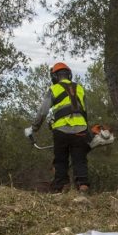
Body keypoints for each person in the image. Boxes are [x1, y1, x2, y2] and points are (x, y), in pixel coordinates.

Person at [29, 62, 92, 192]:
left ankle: (61, 186)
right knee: (79, 159)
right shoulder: (80, 88)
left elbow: (42, 112)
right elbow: (85, 111)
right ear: (69, 75)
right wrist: (87, 131)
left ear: (55, 77)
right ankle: (83, 185)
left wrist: (34, 128)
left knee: (60, 159)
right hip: (81, 129)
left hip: (61, 130)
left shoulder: (54, 89)